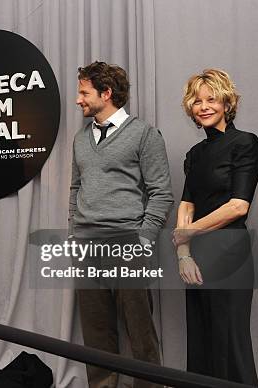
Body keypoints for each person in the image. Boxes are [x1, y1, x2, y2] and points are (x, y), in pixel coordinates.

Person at [69, 61, 173, 388]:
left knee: (140, 333)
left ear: (106, 93)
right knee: (97, 335)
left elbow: (162, 193)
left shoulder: (144, 134)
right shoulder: (81, 139)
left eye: (84, 92)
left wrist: (143, 239)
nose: (78, 100)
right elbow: (76, 188)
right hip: (87, 245)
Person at [173, 69, 258, 385]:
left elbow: (239, 206)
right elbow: (186, 203)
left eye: (211, 99)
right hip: (197, 258)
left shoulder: (245, 143)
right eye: (197, 100)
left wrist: (188, 233)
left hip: (230, 253)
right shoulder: (195, 154)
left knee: (229, 346)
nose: (204, 106)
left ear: (226, 103)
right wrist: (183, 253)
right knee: (201, 344)